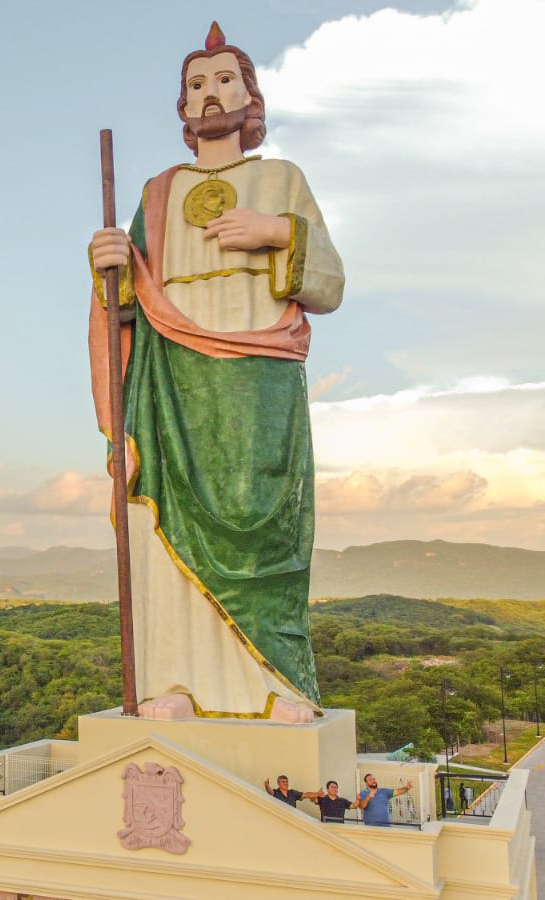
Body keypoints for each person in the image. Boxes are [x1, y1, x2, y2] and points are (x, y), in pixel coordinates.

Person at [86, 21, 345, 724]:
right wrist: (111, 261)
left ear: (250, 96)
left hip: (258, 369)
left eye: (224, 79)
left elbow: (328, 283)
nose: (210, 95)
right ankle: (174, 680)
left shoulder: (280, 179)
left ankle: (277, 683)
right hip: (172, 374)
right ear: (182, 107)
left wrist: (275, 232)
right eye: (196, 84)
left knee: (264, 521)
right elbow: (125, 304)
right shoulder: (159, 191)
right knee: (166, 519)